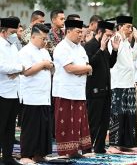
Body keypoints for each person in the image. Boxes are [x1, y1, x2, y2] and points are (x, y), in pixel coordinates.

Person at [52, 19, 92, 157]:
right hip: (65, 91)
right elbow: (70, 68)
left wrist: (85, 68)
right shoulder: (62, 47)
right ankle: (66, 151)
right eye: (78, 31)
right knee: (66, 123)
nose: (81, 35)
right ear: (68, 31)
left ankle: (76, 149)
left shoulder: (80, 48)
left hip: (79, 91)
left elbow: (87, 66)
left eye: (81, 32)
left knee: (78, 122)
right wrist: (86, 68)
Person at [19, 24, 53, 164]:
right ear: (33, 36)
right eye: (42, 38)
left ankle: (39, 153)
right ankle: (26, 155)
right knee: (31, 128)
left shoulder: (44, 51)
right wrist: (44, 65)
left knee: (43, 127)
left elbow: (50, 65)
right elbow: (26, 71)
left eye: (46, 38)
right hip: (31, 96)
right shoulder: (25, 51)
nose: (44, 41)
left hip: (44, 95)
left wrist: (47, 65)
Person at [84, 20, 119, 153]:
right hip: (94, 90)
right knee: (93, 121)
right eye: (108, 35)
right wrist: (101, 49)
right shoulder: (90, 45)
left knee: (104, 122)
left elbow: (110, 64)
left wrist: (114, 50)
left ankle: (99, 147)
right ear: (100, 32)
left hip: (105, 90)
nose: (109, 38)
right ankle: (87, 148)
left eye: (111, 36)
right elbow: (90, 64)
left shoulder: (104, 46)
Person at [108, 15, 137, 153]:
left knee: (129, 115)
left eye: (131, 27)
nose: (130, 30)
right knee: (117, 115)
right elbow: (112, 59)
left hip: (129, 83)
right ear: (120, 27)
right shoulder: (115, 40)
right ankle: (113, 145)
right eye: (128, 27)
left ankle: (126, 144)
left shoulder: (127, 42)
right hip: (118, 83)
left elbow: (132, 58)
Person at [0, 17, 23, 165]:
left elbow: (21, 63)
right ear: (3, 31)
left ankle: (7, 157)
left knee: (10, 128)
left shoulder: (13, 45)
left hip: (14, 92)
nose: (15, 35)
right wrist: (18, 69)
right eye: (12, 32)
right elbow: (3, 67)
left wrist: (18, 68)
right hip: (2, 92)